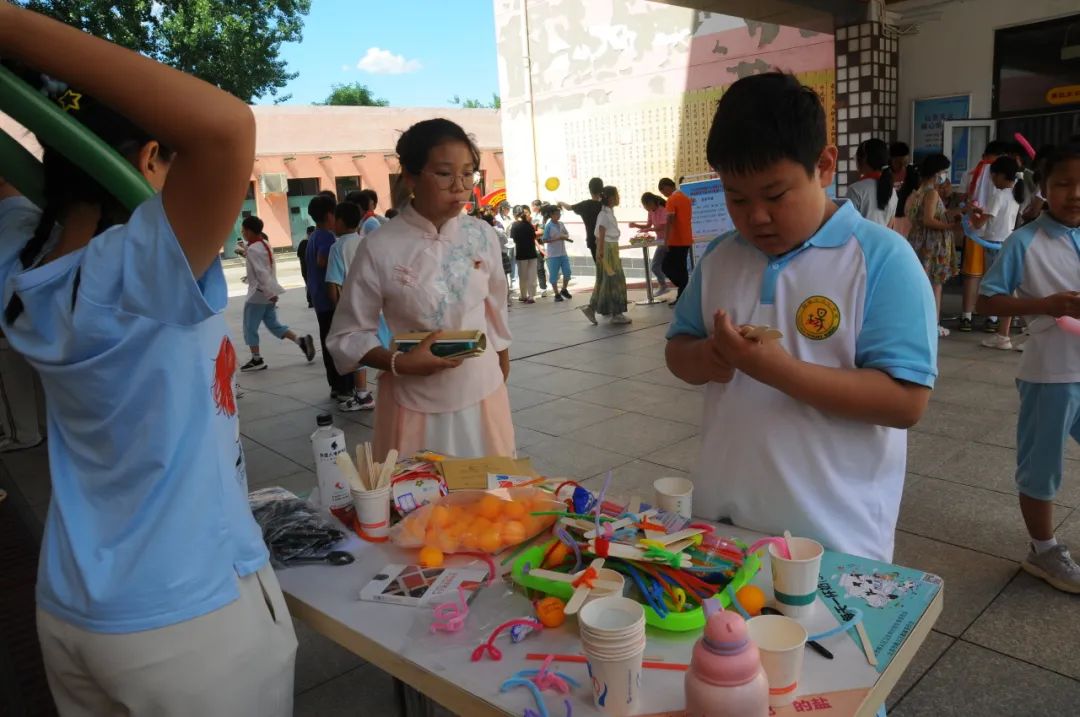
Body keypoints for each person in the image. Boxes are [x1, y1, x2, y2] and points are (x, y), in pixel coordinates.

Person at [0, 5, 297, 714]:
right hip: (189, 619)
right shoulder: (135, 272)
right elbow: (227, 128)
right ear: (147, 160)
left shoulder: (22, 260)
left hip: (75, 607)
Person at [665, 72, 937, 563]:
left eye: (775, 195)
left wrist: (778, 371)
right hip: (723, 527)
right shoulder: (722, 258)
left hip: (837, 539)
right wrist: (709, 356)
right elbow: (678, 350)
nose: (756, 217)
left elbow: (905, 402)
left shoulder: (880, 259)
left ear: (825, 164)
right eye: (736, 198)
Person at [327, 118, 514, 460]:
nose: (460, 186)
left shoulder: (481, 234)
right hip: (412, 403)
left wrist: (500, 367)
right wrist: (400, 363)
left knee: (489, 503)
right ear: (411, 177)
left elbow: (496, 308)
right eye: (444, 174)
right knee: (421, 503)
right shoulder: (380, 246)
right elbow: (348, 335)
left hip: (482, 393)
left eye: (469, 173)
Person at [976, 142, 1080, 593]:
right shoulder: (1025, 241)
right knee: (1042, 464)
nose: (1075, 193)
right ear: (1043, 186)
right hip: (1051, 372)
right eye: (1063, 183)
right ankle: (1043, 549)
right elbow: (987, 301)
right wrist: (1046, 304)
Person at [238, 216, 315, 371]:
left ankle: (256, 359)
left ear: (249, 230)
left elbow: (261, 273)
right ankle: (301, 341)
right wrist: (271, 292)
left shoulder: (253, 249)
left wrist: (268, 293)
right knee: (273, 324)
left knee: (249, 326)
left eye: (243, 230)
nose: (243, 233)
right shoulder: (264, 243)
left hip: (258, 294)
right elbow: (264, 266)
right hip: (268, 291)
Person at [966, 156, 1023, 349]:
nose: (991, 180)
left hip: (993, 246)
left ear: (1000, 175)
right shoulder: (1016, 194)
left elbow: (982, 222)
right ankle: (1003, 332)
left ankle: (1002, 334)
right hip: (1006, 242)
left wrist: (972, 216)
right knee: (1008, 288)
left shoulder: (998, 196)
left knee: (998, 289)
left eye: (993, 176)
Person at [305, 194, 355, 401]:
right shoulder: (327, 237)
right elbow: (322, 260)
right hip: (329, 300)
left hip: (319, 300)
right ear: (329, 215)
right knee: (340, 343)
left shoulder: (315, 235)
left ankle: (335, 385)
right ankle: (344, 387)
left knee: (328, 342)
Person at [325, 202, 374, 411]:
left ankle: (362, 394)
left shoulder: (337, 247)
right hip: (372, 301)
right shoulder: (366, 242)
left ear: (341, 221)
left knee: (355, 348)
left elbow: (333, 283)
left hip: (351, 304)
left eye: (335, 219)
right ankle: (363, 392)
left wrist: (338, 310)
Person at [907, 153, 960, 337]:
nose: (945, 175)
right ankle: (933, 323)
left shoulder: (917, 191)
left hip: (918, 242)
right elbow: (929, 220)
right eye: (944, 171)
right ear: (936, 172)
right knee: (936, 286)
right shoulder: (931, 193)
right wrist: (949, 226)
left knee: (921, 285)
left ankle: (920, 321)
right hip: (932, 245)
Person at [581, 186, 631, 326]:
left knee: (605, 281)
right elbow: (601, 233)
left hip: (610, 248)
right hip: (607, 249)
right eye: (616, 195)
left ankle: (592, 308)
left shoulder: (608, 212)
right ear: (609, 198)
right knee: (615, 280)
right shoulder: (604, 214)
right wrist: (601, 251)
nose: (618, 197)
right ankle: (616, 313)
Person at [845, 139, 897, 226]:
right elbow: (890, 225)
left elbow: (848, 225)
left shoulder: (855, 190)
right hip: (883, 239)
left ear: (864, 159)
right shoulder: (892, 191)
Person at [658, 177, 693, 303]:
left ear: (667, 187)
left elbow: (669, 221)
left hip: (676, 240)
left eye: (663, 191)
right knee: (681, 268)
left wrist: (666, 241)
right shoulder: (685, 198)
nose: (664, 195)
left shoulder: (672, 199)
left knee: (666, 266)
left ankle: (684, 287)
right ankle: (683, 295)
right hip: (686, 238)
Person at [630, 192, 670, 296]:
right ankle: (664, 286)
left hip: (668, 240)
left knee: (656, 266)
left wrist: (649, 229)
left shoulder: (663, 210)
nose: (646, 208)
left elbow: (662, 226)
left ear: (651, 202)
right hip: (660, 241)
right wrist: (636, 225)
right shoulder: (651, 211)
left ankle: (664, 286)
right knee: (659, 266)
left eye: (646, 205)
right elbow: (648, 224)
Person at [558, 176, 604, 262]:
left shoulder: (585, 205)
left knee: (599, 267)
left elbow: (568, 207)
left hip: (592, 239)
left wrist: (560, 202)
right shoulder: (604, 205)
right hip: (606, 239)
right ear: (602, 189)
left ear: (590, 189)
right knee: (610, 269)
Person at [542, 205, 573, 301]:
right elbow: (544, 239)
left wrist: (564, 236)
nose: (558, 216)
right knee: (554, 275)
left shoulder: (561, 224)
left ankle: (564, 289)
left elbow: (567, 234)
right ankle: (556, 294)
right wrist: (557, 238)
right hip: (553, 255)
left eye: (559, 214)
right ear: (551, 215)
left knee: (567, 272)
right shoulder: (548, 226)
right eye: (556, 214)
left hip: (563, 253)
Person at [511, 205, 539, 304]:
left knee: (523, 276)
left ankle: (523, 296)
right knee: (532, 275)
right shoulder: (528, 224)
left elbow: (513, 239)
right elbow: (534, 236)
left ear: (514, 214)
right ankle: (531, 296)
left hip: (521, 253)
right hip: (532, 253)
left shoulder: (514, 225)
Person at [529, 200, 550, 298]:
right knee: (537, 268)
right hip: (533, 244)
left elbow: (541, 231)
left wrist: (529, 234)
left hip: (541, 244)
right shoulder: (533, 216)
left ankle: (543, 288)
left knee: (540, 267)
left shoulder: (542, 217)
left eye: (532, 206)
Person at [297, 225, 313, 307]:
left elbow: (299, 255)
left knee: (309, 284)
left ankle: (311, 301)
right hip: (307, 269)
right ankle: (311, 301)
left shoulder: (303, 242)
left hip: (306, 268)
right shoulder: (306, 243)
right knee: (310, 284)